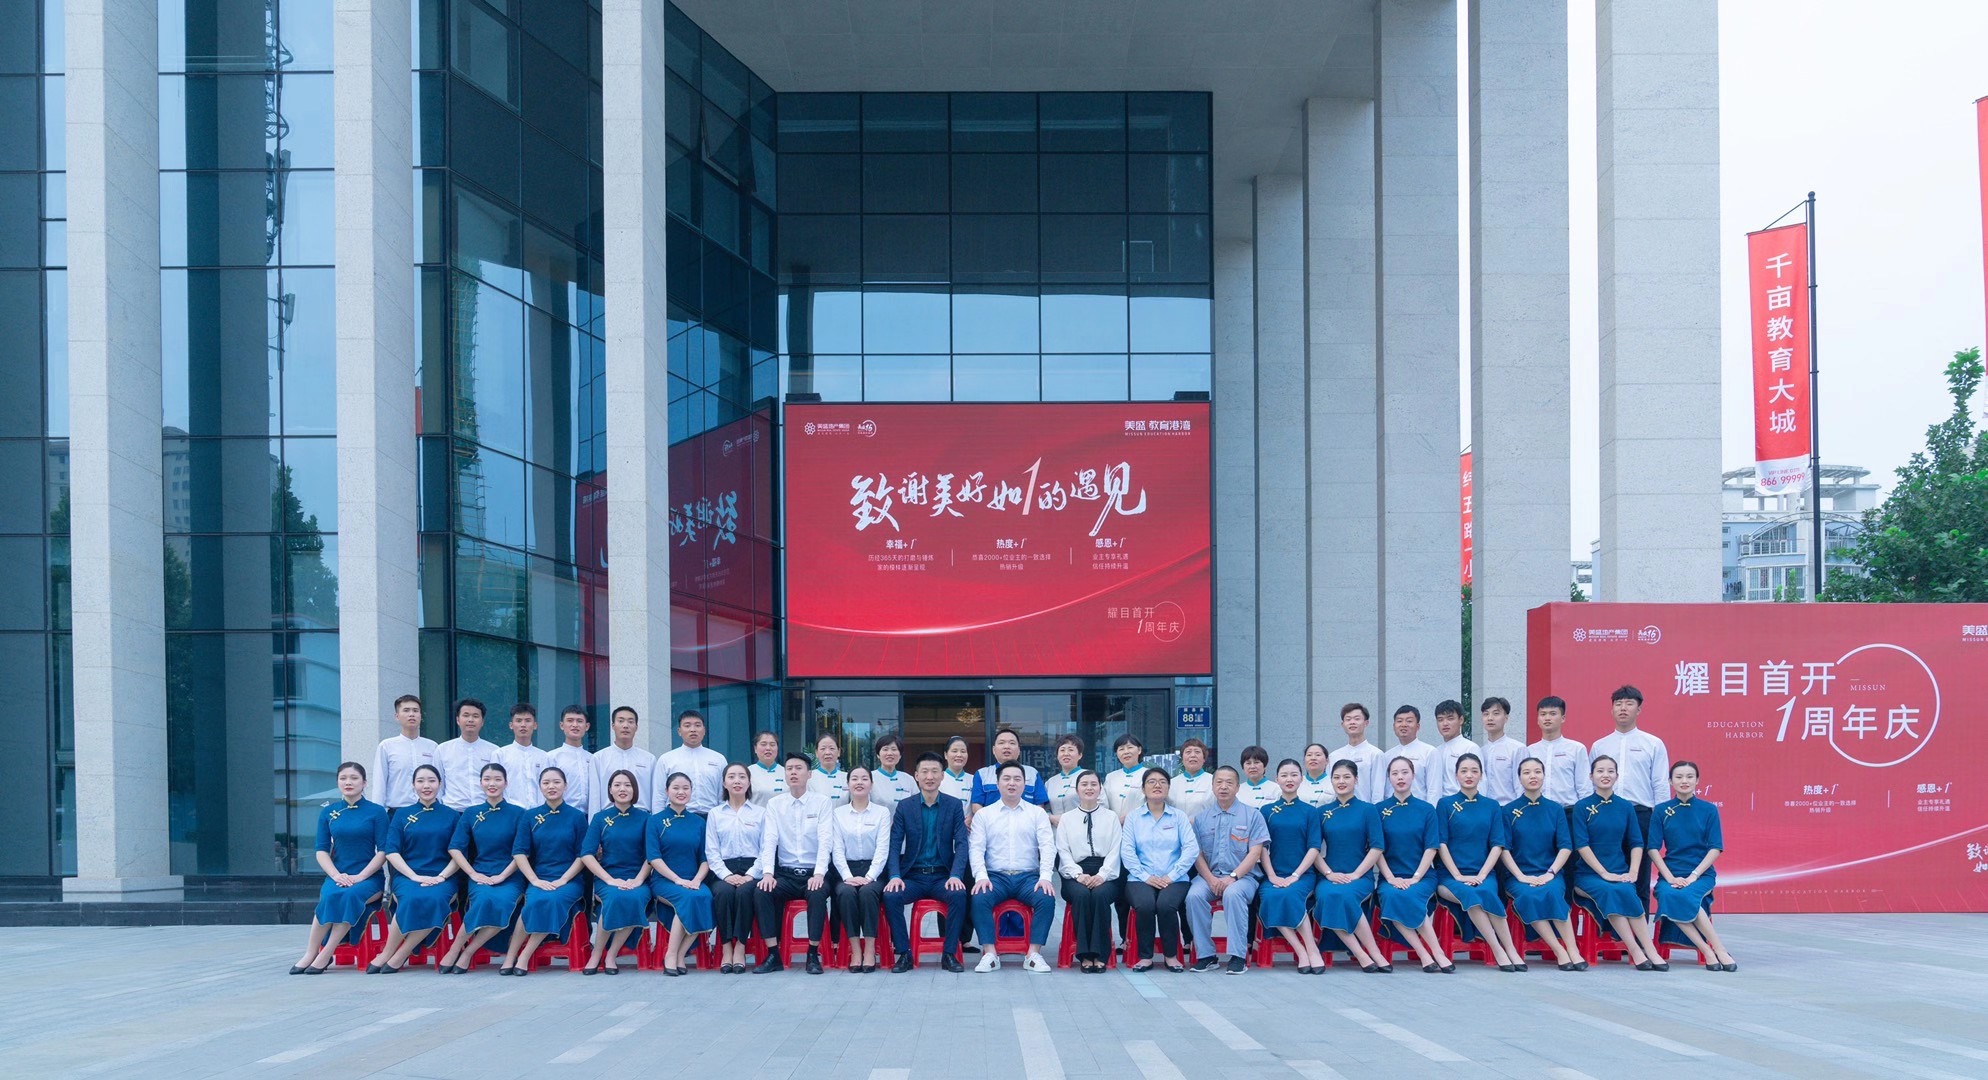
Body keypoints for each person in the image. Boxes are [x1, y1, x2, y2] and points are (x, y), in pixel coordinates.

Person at [290, 762, 388, 973]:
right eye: (343, 778)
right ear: (337, 782)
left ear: (364, 783)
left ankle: (326, 953)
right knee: (329, 896)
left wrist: (360, 876)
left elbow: (383, 851)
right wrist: (335, 875)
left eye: (354, 778)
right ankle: (310, 953)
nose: (348, 782)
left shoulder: (377, 812)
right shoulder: (329, 812)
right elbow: (321, 850)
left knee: (350, 896)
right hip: (338, 875)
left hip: (369, 878)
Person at [1572, 755, 1666, 970]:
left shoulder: (1625, 807)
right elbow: (1582, 846)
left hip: (1619, 872)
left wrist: (1633, 872)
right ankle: (1635, 950)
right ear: (1591, 776)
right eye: (1600, 771)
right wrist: (1604, 873)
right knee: (1611, 890)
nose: (1605, 775)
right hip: (1588, 876)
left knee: (1627, 890)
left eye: (1610, 771)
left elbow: (1636, 842)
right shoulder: (1582, 807)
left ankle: (1649, 950)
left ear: (1617, 776)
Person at [883, 752, 970, 973]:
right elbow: (894, 844)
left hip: (942, 876)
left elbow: (962, 843)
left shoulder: (953, 805)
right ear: (916, 776)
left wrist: (955, 875)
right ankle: (904, 953)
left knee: (958, 894)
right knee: (891, 896)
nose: (929, 777)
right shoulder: (905, 806)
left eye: (934, 772)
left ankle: (949, 953)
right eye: (924, 772)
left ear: (942, 776)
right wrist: (895, 876)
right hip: (913, 876)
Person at [1435, 753, 1523, 972]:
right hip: (1450, 876)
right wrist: (1457, 875)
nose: (1469, 775)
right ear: (1456, 775)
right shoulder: (1445, 804)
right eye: (1464, 771)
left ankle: (1511, 949)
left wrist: (1482, 875)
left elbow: (1497, 844)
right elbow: (1441, 843)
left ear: (1481, 775)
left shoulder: (1492, 806)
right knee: (1472, 895)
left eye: (1474, 771)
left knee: (1487, 892)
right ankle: (1498, 949)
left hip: (1484, 873)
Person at [968, 761, 1058, 973]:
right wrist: (981, 876)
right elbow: (976, 848)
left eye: (1017, 779)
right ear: (997, 784)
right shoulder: (984, 815)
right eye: (1006, 779)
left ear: (1024, 784)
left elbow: (1047, 846)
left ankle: (1033, 954)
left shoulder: (1037, 813)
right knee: (979, 898)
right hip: (995, 877)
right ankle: (990, 954)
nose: (1012, 783)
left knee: (1046, 898)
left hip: (1028, 877)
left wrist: (1045, 877)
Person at [371, 764, 461, 973]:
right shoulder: (401, 814)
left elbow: (459, 853)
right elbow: (391, 851)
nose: (426, 786)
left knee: (434, 899)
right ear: (413, 785)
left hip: (443, 877)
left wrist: (441, 877)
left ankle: (401, 954)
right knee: (410, 898)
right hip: (407, 876)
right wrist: (413, 876)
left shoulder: (452, 816)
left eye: (431, 781)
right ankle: (387, 952)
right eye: (420, 781)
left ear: (440, 784)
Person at [436, 763, 525, 973]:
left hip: (511, 875)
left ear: (506, 783)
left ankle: (467, 952)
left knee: (502, 902)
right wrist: (473, 873)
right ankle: (454, 949)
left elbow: (522, 851)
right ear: (480, 783)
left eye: (497, 779)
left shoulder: (519, 813)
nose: (492, 784)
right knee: (483, 900)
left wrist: (502, 876)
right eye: (487, 779)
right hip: (481, 873)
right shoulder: (471, 813)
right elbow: (455, 848)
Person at [1648, 761, 1737, 971]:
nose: (1684, 781)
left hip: (1701, 874)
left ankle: (1719, 949)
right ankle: (1709, 950)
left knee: (1686, 895)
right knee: (1670, 894)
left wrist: (1694, 876)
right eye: (1679, 777)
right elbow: (1652, 848)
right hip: (1670, 874)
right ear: (1670, 781)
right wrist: (1670, 878)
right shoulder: (1661, 810)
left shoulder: (1708, 810)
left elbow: (1715, 848)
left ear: (1697, 781)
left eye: (1689, 777)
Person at [1590, 685, 1670, 913]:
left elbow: (1660, 784)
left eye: (1629, 704)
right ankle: (1610, 928)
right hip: (1606, 813)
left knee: (1640, 874)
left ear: (1639, 709)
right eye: (1618, 704)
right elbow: (1592, 784)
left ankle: (1638, 929)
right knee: (1608, 871)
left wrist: (1660, 820)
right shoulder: (1600, 745)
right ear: (1612, 709)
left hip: (1640, 815)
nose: (1623, 708)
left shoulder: (1653, 743)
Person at [1500, 757, 1587, 971]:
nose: (1533, 776)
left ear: (1544, 775)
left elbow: (1565, 846)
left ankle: (1573, 950)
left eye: (1537, 771)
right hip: (1519, 876)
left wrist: (1551, 873)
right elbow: (1504, 849)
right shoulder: (1508, 811)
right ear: (1519, 778)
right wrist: (1521, 876)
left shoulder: (1555, 809)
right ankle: (1559, 950)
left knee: (1553, 892)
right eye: (1527, 772)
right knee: (1529, 895)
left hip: (1550, 873)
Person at [500, 766, 588, 974]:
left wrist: (563, 880)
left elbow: (583, 855)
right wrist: (534, 880)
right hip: (539, 877)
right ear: (539, 787)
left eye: (556, 782)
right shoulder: (530, 816)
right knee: (534, 901)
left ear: (565, 786)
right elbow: (519, 852)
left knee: (550, 900)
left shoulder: (577, 817)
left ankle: (525, 955)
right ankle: (511, 955)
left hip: (569, 880)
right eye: (546, 783)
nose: (551, 786)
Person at [753, 752, 834, 974]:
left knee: (817, 893)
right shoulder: (775, 804)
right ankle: (773, 954)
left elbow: (825, 840)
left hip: (813, 873)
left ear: (809, 774)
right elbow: (769, 840)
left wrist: (819, 874)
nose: (793, 773)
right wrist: (767, 873)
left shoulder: (822, 802)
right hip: (786, 874)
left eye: (799, 768)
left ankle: (812, 954)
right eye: (789, 769)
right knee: (762, 891)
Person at [1376, 757, 1452, 973]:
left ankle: (1437, 952)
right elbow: (1376, 849)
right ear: (1389, 778)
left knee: (1409, 894)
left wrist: (1416, 877)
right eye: (1395, 773)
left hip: (1422, 876)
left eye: (1405, 772)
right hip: (1390, 876)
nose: (1400, 777)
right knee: (1392, 895)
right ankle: (1425, 953)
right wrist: (1391, 878)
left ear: (1413, 775)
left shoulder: (1426, 809)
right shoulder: (1379, 810)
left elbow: (1432, 847)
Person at [1187, 766, 1267, 973]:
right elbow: (1197, 854)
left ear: (1238, 787)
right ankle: (1206, 955)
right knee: (1193, 896)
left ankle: (1238, 956)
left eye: (1229, 783)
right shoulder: (1201, 819)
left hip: (1243, 878)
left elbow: (1255, 853)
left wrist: (1233, 877)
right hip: (1209, 876)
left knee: (1233, 894)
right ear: (1213, 787)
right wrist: (1210, 879)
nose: (1224, 787)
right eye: (1219, 782)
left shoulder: (1253, 815)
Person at [1121, 767, 1199, 972]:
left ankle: (1171, 956)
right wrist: (1146, 877)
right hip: (1140, 878)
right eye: (1152, 781)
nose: (1157, 785)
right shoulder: (1133, 818)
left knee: (1166, 906)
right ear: (1143, 789)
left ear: (1168, 788)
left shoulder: (1179, 817)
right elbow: (1127, 851)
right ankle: (1145, 957)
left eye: (1162, 781)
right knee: (1145, 905)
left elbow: (1191, 849)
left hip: (1175, 878)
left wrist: (1171, 876)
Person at [1314, 760, 1389, 972]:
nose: (1341, 781)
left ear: (1356, 780)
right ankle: (1363, 954)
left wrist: (1356, 874)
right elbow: (1313, 849)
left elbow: (1377, 847)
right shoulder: (1322, 812)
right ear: (1331, 781)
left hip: (1360, 876)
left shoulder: (1368, 810)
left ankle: (1374, 952)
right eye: (1336, 777)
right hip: (1330, 876)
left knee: (1344, 896)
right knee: (1331, 895)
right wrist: (1328, 874)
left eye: (1347, 777)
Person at [578, 769, 651, 974]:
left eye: (627, 785)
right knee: (614, 897)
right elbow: (586, 854)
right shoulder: (600, 818)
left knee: (633, 898)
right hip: (607, 878)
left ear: (634, 789)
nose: (622, 789)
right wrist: (609, 879)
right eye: (617, 785)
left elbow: (652, 856)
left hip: (637, 878)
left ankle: (611, 954)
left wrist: (638, 880)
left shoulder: (646, 818)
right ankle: (596, 954)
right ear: (610, 790)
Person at [646, 771, 715, 975]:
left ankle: (679, 954)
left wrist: (697, 880)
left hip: (693, 880)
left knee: (705, 897)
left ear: (691, 791)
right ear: (667, 791)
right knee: (687, 899)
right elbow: (654, 858)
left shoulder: (699, 822)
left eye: (686, 788)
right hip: (664, 881)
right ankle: (671, 954)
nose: (681, 792)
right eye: (676, 788)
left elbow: (705, 858)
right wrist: (677, 880)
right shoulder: (655, 821)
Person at [1260, 760, 1327, 973]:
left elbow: (1314, 847)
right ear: (1276, 779)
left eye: (1294, 774)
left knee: (1290, 894)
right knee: (1271, 896)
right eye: (1284, 775)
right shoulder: (1266, 810)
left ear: (1301, 778)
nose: (1289, 779)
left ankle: (1312, 950)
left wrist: (1296, 875)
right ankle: (1302, 951)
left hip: (1303, 874)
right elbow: (1261, 847)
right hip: (1274, 873)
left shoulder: (1310, 812)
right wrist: (1272, 876)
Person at [1054, 769, 1122, 973]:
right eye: (1084, 784)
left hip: (1106, 872)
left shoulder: (1111, 817)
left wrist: (1102, 875)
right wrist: (1078, 875)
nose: (1089, 788)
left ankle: (1100, 954)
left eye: (1094, 784)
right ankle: (1084, 954)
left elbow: (1115, 850)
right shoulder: (1066, 819)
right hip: (1075, 873)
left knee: (1100, 895)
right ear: (1077, 790)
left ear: (1100, 789)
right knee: (1082, 895)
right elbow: (1063, 851)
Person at [829, 765, 892, 971]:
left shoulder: (882, 813)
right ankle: (856, 949)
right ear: (848, 785)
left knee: (867, 893)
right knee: (845, 893)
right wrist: (847, 876)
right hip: (846, 870)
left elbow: (883, 850)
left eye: (864, 779)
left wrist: (870, 876)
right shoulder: (838, 814)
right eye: (854, 779)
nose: (859, 782)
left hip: (875, 871)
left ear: (871, 784)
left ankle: (870, 949)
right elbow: (837, 850)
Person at [706, 763, 766, 973]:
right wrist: (726, 875)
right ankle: (726, 947)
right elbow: (711, 851)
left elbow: (765, 849)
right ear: (724, 783)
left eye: (742, 777)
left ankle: (740, 946)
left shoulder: (760, 813)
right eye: (731, 777)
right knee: (723, 893)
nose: (737, 781)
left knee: (744, 893)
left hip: (753, 868)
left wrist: (750, 875)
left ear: (749, 782)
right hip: (724, 869)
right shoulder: (715, 814)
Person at [371, 694, 436, 815]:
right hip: (397, 812)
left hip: (428, 811)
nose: (411, 714)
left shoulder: (433, 747)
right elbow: (380, 783)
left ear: (420, 715)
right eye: (406, 710)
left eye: (415, 711)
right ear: (397, 716)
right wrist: (378, 815)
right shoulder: (386, 746)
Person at [652, 709, 727, 814]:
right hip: (676, 816)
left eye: (697, 725)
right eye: (687, 726)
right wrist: (658, 820)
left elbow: (723, 795)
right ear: (679, 731)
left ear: (704, 730)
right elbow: (659, 796)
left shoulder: (718, 759)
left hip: (710, 816)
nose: (693, 730)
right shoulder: (666, 759)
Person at [1527, 695, 1592, 810]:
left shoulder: (1576, 749)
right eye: (1543, 714)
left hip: (1568, 810)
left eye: (1553, 714)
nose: (1547, 718)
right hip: (1536, 809)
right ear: (1537, 720)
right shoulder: (1529, 750)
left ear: (1563, 718)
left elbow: (1584, 786)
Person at [435, 699, 500, 812]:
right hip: (453, 811)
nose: (470, 720)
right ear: (458, 720)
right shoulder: (443, 750)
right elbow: (438, 784)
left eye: (475, 716)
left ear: (482, 722)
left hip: (485, 811)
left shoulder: (494, 751)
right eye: (466, 715)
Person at [592, 706, 656, 812]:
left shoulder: (649, 759)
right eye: (621, 721)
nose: (625, 726)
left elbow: (656, 794)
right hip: (609, 816)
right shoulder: (599, 758)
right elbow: (594, 795)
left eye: (630, 722)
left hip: (642, 815)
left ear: (636, 727)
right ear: (613, 726)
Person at [971, 727, 1047, 814]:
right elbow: (976, 805)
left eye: (1012, 743)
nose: (1006, 746)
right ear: (994, 750)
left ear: (1019, 750)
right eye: (1001, 743)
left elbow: (1040, 805)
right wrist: (990, 820)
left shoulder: (1032, 773)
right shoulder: (982, 774)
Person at [493, 703, 550, 808]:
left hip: (538, 812)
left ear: (535, 725)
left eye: (527, 721)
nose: (523, 725)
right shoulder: (500, 754)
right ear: (511, 725)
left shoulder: (544, 756)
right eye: (518, 721)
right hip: (509, 811)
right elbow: (495, 786)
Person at [1380, 706, 1439, 804]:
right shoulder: (1387, 756)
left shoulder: (1429, 752)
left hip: (1420, 809)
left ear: (1418, 726)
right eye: (1399, 721)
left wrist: (1431, 810)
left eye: (1409, 721)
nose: (1404, 725)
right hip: (1392, 809)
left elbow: (1434, 789)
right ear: (1394, 726)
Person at [1328, 704, 1385, 803]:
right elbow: (1330, 789)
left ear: (1366, 723)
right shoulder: (1334, 756)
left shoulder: (1375, 754)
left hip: (1366, 809)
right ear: (1342, 724)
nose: (1352, 722)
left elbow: (1378, 790)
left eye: (1357, 719)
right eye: (1348, 719)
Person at [546, 705, 596, 817]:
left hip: (588, 816)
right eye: (570, 720)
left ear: (587, 726)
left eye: (579, 721)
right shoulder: (552, 757)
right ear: (561, 725)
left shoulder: (593, 759)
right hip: (561, 814)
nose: (575, 725)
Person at [1476, 697, 1525, 805]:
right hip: (1485, 808)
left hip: (1509, 807)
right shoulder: (1481, 751)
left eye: (1496, 713)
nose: (1490, 718)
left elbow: (1521, 785)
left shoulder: (1517, 749)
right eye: (1486, 714)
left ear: (1506, 718)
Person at [1432, 700, 1479, 801]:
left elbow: (1480, 782)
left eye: (1450, 718)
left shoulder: (1470, 748)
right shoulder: (1436, 751)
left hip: (1463, 803)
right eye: (1440, 719)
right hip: (1441, 804)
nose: (1445, 723)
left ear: (1461, 720)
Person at [1042, 734, 1087, 823]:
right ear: (1057, 755)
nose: (1066, 754)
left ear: (1080, 755)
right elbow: (1044, 808)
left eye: (1071, 750)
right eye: (1062, 750)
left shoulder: (1089, 777)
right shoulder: (1050, 782)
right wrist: (1051, 818)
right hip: (1056, 829)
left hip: (1082, 827)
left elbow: (1101, 805)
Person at [1168, 738, 1215, 820]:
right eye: (1188, 752)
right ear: (1182, 758)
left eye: (1197, 752)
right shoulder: (1171, 783)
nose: (1193, 755)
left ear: (1204, 758)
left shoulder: (1213, 781)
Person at [870, 735, 918, 811]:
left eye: (894, 749)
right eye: (885, 749)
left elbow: (916, 805)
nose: (889, 753)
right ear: (878, 755)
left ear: (900, 755)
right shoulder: (869, 777)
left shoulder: (908, 779)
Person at [1103, 734, 1146, 814]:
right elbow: (1104, 803)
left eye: (1130, 747)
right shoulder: (1110, 777)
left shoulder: (1149, 775)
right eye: (1121, 749)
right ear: (1117, 754)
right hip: (1114, 821)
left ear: (1139, 750)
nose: (1126, 752)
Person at [809, 733, 850, 807]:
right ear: (816, 753)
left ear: (838, 752)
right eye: (823, 749)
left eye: (832, 748)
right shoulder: (808, 778)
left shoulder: (848, 777)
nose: (827, 752)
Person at [748, 730, 787, 806]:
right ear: (755, 749)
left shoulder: (786, 772)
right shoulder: (747, 772)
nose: (768, 748)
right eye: (763, 744)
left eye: (772, 745)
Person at [1297, 743, 1335, 807]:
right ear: (1304, 760)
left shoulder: (1334, 782)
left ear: (1327, 760)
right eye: (1309, 755)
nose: (1313, 758)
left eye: (1318, 755)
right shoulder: (1297, 782)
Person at [939, 736, 975, 802]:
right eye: (954, 751)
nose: (959, 755)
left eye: (963, 751)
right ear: (945, 755)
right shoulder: (937, 779)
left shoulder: (974, 779)